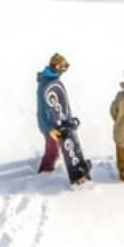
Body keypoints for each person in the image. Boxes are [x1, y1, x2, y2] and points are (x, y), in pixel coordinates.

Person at [34, 53, 90, 185]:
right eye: (63, 69)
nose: (63, 72)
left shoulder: (50, 79)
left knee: (54, 147)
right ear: (57, 68)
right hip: (49, 125)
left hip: (54, 122)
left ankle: (51, 162)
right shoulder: (46, 84)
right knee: (52, 151)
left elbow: (60, 104)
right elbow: (43, 112)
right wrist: (50, 129)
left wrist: (68, 118)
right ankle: (44, 172)